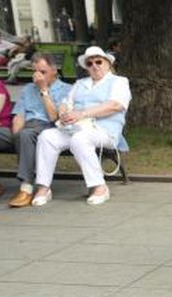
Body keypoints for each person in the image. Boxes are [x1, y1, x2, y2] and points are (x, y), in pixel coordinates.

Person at [31, 46, 130, 207]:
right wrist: (64, 113)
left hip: (104, 130)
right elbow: (66, 103)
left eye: (99, 61)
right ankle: (43, 187)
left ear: (108, 63)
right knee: (46, 136)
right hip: (75, 127)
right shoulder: (80, 83)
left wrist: (82, 114)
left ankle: (99, 187)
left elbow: (115, 106)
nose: (95, 66)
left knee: (80, 139)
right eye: (90, 63)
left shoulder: (119, 82)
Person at [7, 53, 72, 208]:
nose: (37, 76)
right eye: (35, 72)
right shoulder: (27, 89)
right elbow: (19, 116)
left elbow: (53, 117)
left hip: (47, 128)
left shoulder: (66, 89)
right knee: (21, 134)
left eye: (42, 72)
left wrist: (44, 90)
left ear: (54, 70)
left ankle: (26, 187)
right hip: (26, 129)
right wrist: (17, 135)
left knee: (26, 135)